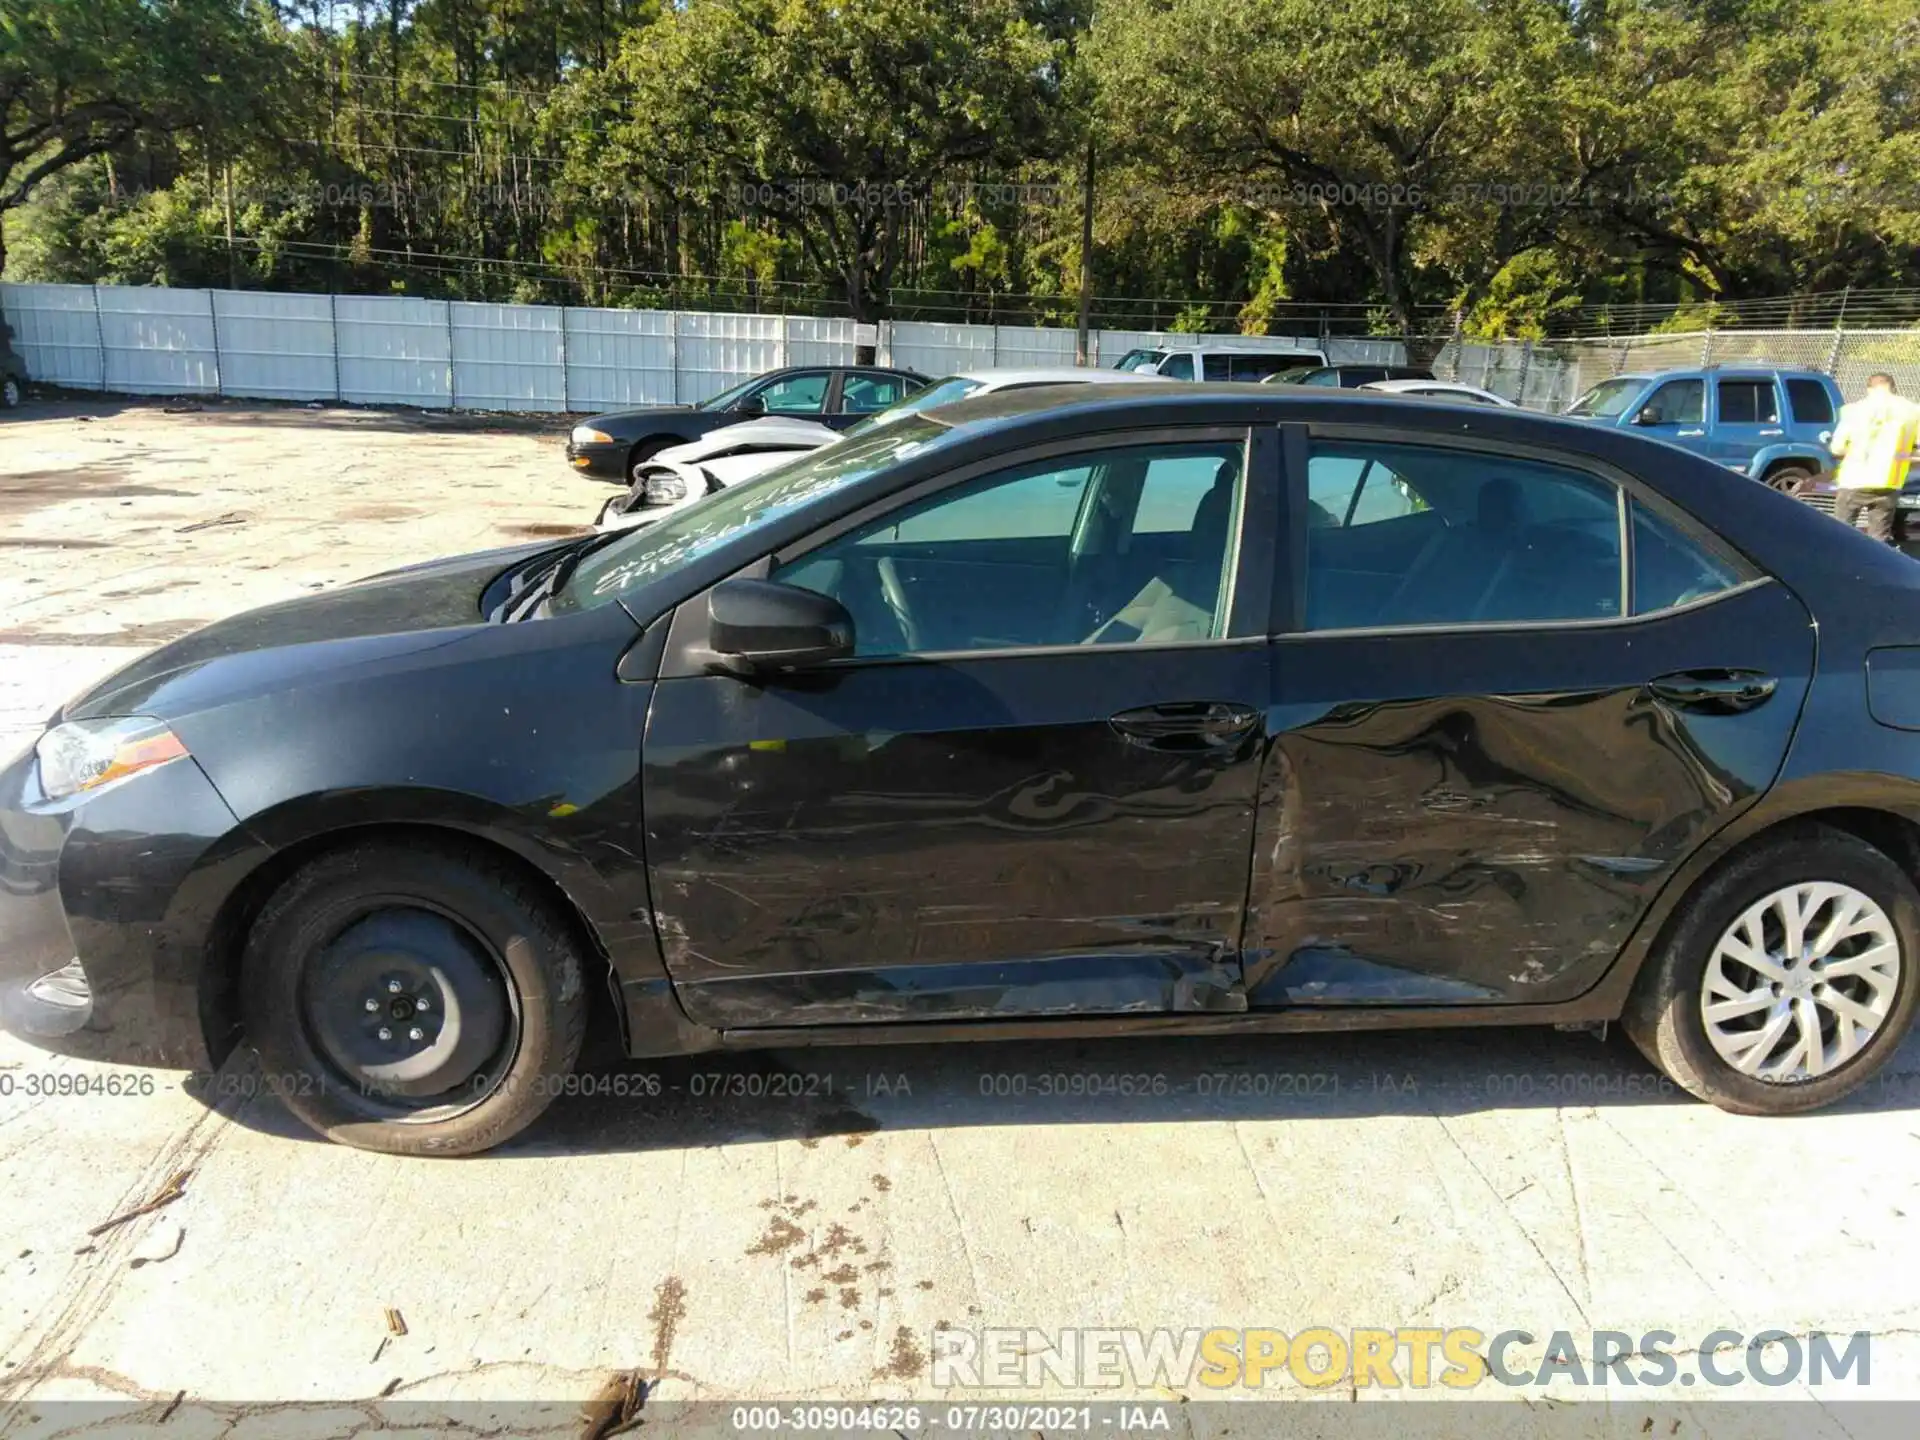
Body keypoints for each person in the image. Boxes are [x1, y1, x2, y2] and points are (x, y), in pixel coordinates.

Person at [1829, 373, 1920, 546]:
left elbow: (1837, 448)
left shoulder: (1853, 410)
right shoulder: (1913, 411)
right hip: (1889, 481)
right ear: (1893, 387)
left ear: (1869, 389)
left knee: (1841, 533)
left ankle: (1839, 566)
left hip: (1854, 479)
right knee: (1878, 539)